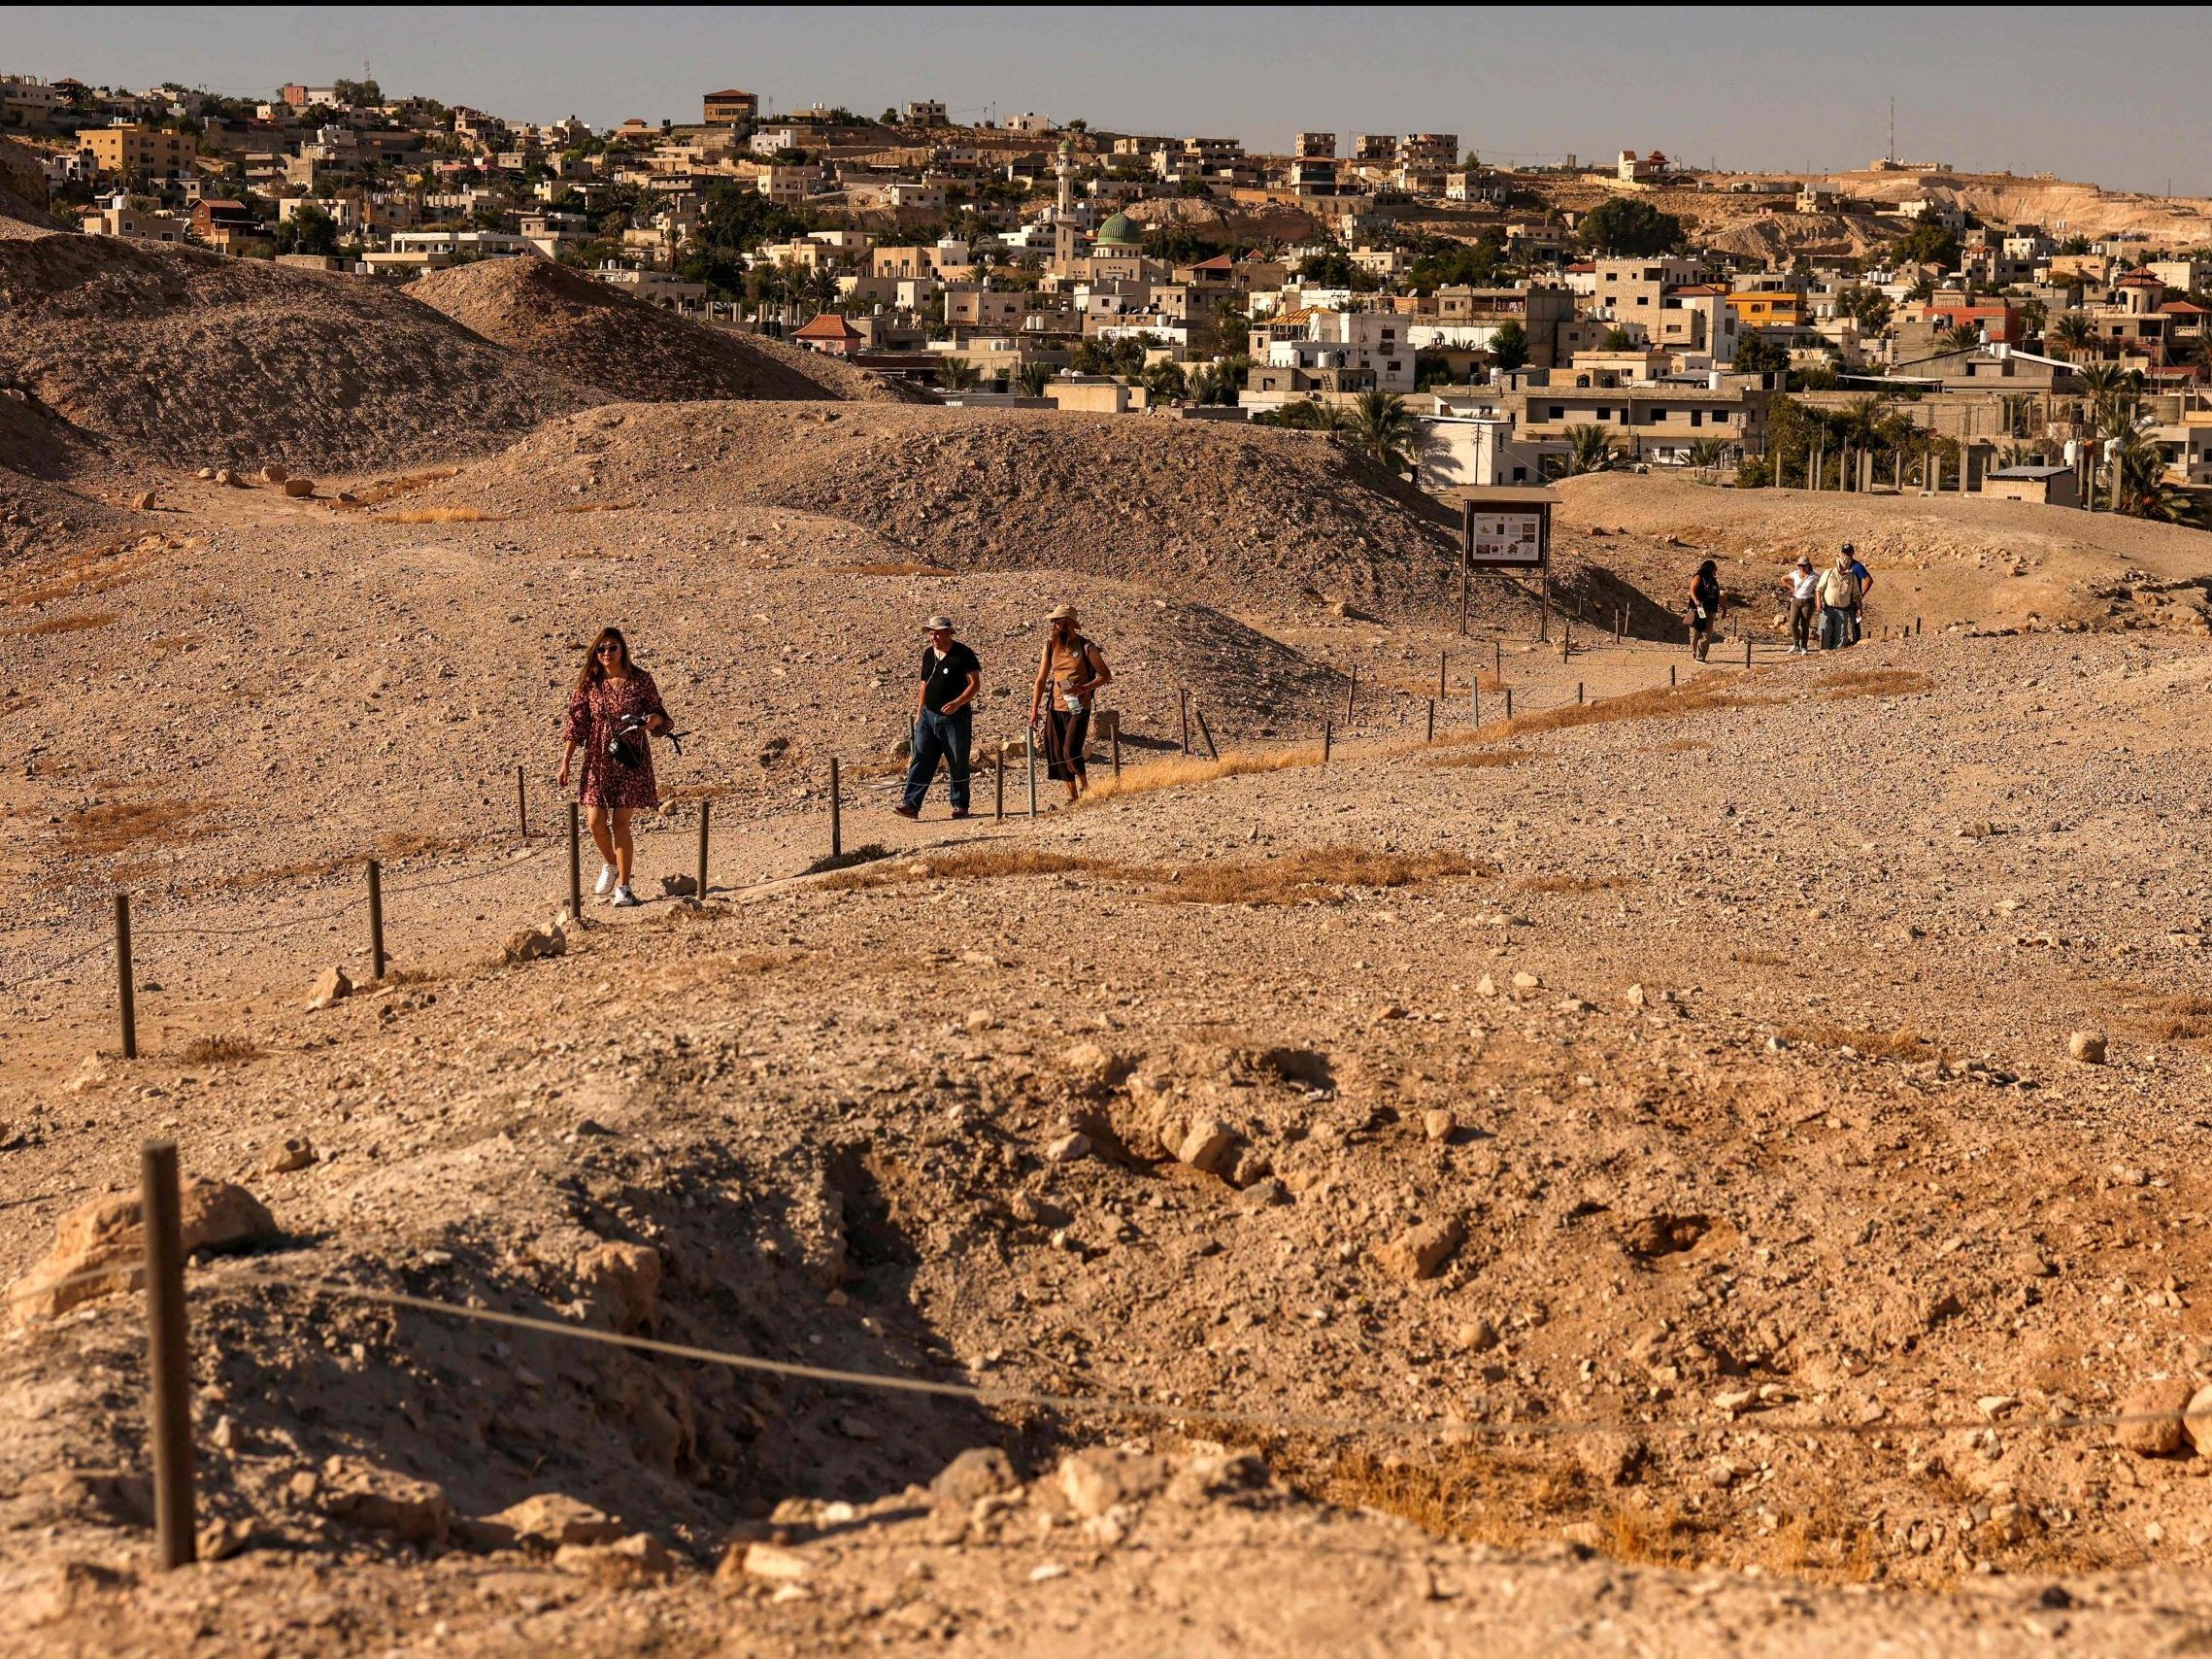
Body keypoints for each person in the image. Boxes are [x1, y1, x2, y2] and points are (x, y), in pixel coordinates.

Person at [558, 626, 671, 908]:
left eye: (612, 647)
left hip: (631, 759)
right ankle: (611, 863)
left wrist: (651, 721)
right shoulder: (590, 684)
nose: (607, 653)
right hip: (598, 760)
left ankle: (624, 888)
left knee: (621, 824)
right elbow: (576, 725)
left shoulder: (640, 680)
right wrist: (566, 762)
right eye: (601, 649)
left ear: (623, 649)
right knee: (595, 823)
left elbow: (662, 716)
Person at [896, 615, 980, 821]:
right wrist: (919, 712)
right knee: (921, 757)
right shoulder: (928, 654)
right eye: (931, 632)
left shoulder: (963, 654)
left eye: (937, 632)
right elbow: (924, 684)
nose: (933, 636)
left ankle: (960, 804)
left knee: (957, 760)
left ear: (948, 633)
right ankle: (911, 804)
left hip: (955, 718)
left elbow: (974, 684)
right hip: (928, 715)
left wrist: (958, 702)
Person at [1028, 603, 1111, 802]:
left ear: (1070, 623)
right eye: (1053, 621)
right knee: (1057, 753)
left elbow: (1105, 675)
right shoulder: (1050, 646)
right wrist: (1034, 710)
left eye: (1058, 621)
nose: (1054, 624)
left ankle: (1085, 787)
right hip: (1056, 706)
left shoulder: (1086, 647)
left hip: (1079, 707)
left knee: (1070, 750)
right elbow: (1040, 680)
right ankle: (1073, 797)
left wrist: (1083, 688)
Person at [1817, 550, 1861, 652]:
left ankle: (1838, 656)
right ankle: (1823, 653)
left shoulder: (1852, 577)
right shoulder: (1828, 573)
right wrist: (1818, 603)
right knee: (1825, 632)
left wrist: (1860, 607)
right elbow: (1819, 589)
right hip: (1827, 608)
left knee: (1841, 634)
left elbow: (1856, 594)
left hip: (1843, 610)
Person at [1686, 559, 1725, 662]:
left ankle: (1700, 656)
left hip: (1711, 610)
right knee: (1695, 632)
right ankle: (1695, 652)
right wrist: (1696, 600)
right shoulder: (1698, 577)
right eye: (1714, 569)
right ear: (1709, 568)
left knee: (1707, 633)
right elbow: (1692, 590)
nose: (1715, 571)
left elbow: (1718, 596)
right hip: (1697, 609)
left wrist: (1724, 608)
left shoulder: (1713, 581)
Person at [1783, 556, 1819, 655]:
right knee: (1793, 623)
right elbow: (1783, 579)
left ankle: (1804, 646)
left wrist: (1818, 594)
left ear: (1808, 565)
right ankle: (1795, 644)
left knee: (1805, 624)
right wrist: (1791, 588)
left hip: (1808, 601)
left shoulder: (1814, 576)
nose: (1802, 568)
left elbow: (1821, 585)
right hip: (1796, 600)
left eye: (1804, 565)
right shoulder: (1795, 574)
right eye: (1800, 565)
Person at [1845, 543, 1873, 643]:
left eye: (1848, 552)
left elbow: (1868, 580)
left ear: (1852, 553)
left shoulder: (1857, 566)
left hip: (1853, 599)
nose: (1847, 555)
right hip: (1842, 599)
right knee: (1841, 622)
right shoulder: (1841, 565)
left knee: (1854, 623)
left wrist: (1861, 595)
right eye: (1845, 553)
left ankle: (1856, 643)